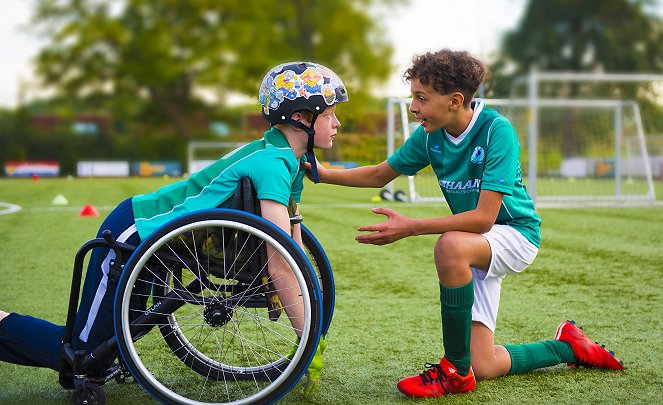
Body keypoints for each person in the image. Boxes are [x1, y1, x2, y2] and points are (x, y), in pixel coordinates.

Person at [0, 61, 348, 396]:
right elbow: (281, 260)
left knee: (114, 343)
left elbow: (293, 247)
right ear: (300, 118)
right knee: (81, 354)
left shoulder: (290, 161)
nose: (337, 123)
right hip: (135, 231)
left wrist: (306, 309)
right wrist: (308, 338)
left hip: (164, 241)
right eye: (330, 113)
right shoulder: (272, 164)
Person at [303, 49, 624, 397]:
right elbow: (381, 173)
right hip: (479, 243)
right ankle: (569, 347)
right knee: (484, 365)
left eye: (421, 98)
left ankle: (454, 371)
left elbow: (484, 218)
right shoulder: (430, 136)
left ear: (455, 101)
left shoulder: (496, 132)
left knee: (451, 244)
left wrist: (410, 226)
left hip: (515, 235)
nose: (413, 107)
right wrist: (319, 173)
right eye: (413, 97)